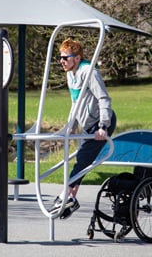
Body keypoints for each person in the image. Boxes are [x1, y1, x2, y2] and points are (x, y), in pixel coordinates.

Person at [49, 38, 117, 219]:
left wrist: (103, 126)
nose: (62, 61)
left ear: (77, 58)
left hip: (102, 122)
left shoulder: (90, 72)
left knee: (82, 160)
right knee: (82, 161)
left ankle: (67, 197)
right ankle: (70, 198)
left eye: (65, 58)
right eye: (60, 57)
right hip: (88, 124)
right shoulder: (70, 73)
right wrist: (72, 125)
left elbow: (104, 99)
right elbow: (75, 101)